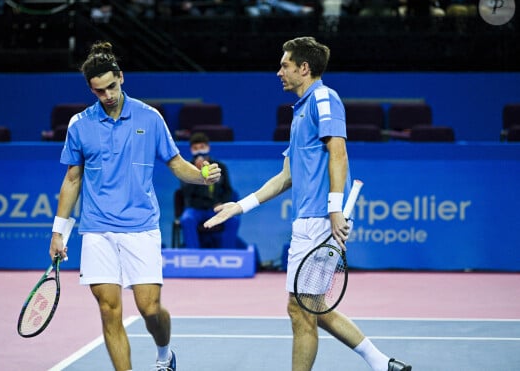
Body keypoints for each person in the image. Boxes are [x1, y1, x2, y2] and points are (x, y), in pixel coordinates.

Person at [203, 36, 411, 371]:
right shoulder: (300, 111)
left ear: (304, 68)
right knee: (311, 305)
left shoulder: (324, 98)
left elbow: (338, 151)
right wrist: (239, 206)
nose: (278, 72)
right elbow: (286, 177)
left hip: (318, 219)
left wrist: (333, 208)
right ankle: (382, 363)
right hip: (310, 218)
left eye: (284, 65)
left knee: (299, 309)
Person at [49, 40, 221, 371]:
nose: (108, 95)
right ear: (91, 89)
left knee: (150, 309)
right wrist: (59, 232)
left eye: (112, 86)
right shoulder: (79, 125)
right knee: (108, 309)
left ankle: (164, 354)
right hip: (97, 229)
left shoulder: (149, 117)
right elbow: (72, 180)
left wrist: (202, 176)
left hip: (141, 228)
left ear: (121, 77)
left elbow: (175, 163)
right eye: (99, 91)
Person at [179, 132, 240, 249]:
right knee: (186, 219)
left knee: (233, 219)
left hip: (216, 208)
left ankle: (227, 254)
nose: (199, 151)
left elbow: (228, 190)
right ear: (191, 150)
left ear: (208, 147)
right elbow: (185, 193)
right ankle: (193, 256)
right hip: (195, 209)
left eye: (202, 147)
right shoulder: (186, 168)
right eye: (195, 148)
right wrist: (197, 172)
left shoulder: (220, 167)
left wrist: (221, 203)